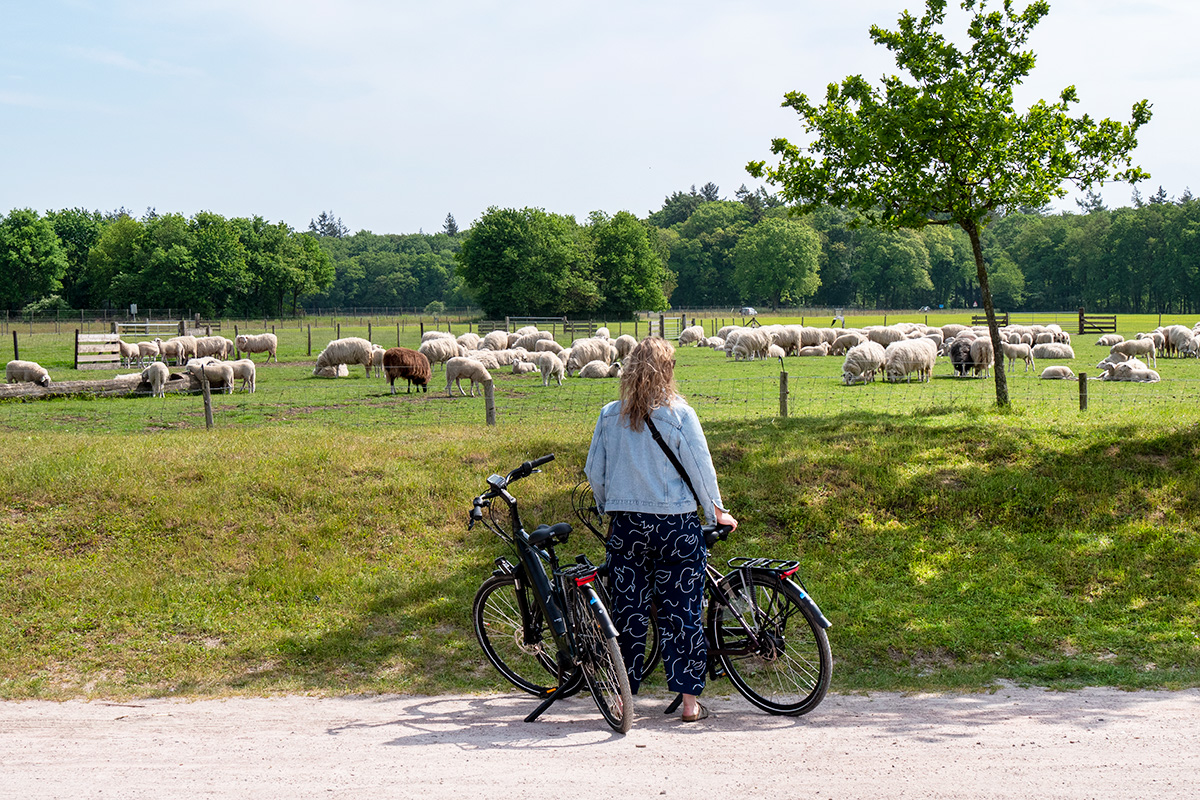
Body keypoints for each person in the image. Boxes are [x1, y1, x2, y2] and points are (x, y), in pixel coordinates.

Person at [584, 337, 737, 722]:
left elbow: (594, 473)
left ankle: (623, 700)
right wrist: (716, 510)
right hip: (675, 525)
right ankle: (689, 704)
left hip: (627, 526)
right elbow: (702, 469)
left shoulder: (609, 415)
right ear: (667, 371)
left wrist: (608, 505)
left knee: (628, 613)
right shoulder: (680, 415)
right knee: (682, 612)